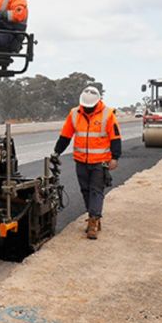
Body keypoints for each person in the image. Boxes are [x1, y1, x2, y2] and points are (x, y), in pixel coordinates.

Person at [53, 86, 121, 239]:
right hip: (81, 160)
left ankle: (93, 222)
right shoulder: (74, 113)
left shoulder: (108, 114)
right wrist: (56, 152)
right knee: (85, 190)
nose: (87, 109)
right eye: (85, 106)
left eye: (90, 107)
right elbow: (65, 136)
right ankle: (94, 217)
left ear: (98, 102)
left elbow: (115, 138)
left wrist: (115, 157)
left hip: (100, 162)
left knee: (96, 191)